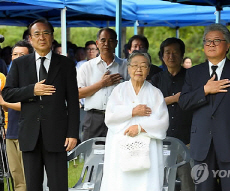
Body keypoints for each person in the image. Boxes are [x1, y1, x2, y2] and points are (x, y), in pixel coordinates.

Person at [2, 19, 79, 191]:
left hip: (57, 135)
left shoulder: (65, 64)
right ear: (30, 39)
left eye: (46, 33)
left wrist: (72, 133)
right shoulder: (20, 64)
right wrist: (32, 90)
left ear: (52, 37)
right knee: (33, 186)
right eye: (37, 34)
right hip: (30, 135)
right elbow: (7, 93)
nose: (41, 37)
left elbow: (73, 101)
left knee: (59, 185)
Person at [178, 23, 230, 191]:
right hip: (202, 145)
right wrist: (205, 90)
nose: (211, 44)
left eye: (216, 40)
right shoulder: (193, 73)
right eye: (207, 41)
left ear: (227, 45)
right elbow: (184, 102)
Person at [100, 51, 169, 191]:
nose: (139, 69)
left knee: (146, 183)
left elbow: (162, 122)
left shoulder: (155, 93)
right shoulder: (118, 90)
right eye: (135, 65)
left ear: (149, 70)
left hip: (149, 148)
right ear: (128, 68)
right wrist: (132, 111)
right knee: (119, 183)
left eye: (143, 66)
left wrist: (140, 128)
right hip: (120, 145)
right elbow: (110, 117)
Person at [151, 37, 194, 191]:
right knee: (160, 182)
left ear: (182, 55)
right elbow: (150, 105)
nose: (171, 56)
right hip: (162, 138)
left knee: (187, 182)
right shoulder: (156, 79)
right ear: (162, 56)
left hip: (187, 139)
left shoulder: (192, 78)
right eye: (167, 53)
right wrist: (175, 99)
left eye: (175, 52)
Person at [77, 28, 129, 141]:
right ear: (97, 43)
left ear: (116, 43)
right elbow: (78, 94)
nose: (106, 44)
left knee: (117, 154)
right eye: (103, 40)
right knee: (90, 154)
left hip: (118, 116)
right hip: (93, 117)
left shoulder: (125, 66)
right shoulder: (86, 67)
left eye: (110, 40)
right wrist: (102, 84)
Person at [0, 40, 33, 191]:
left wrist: (4, 102)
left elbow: (28, 106)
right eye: (15, 54)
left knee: (28, 178)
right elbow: (9, 110)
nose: (17, 57)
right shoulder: (11, 78)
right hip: (11, 132)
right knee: (16, 178)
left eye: (22, 54)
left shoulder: (33, 79)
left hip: (27, 133)